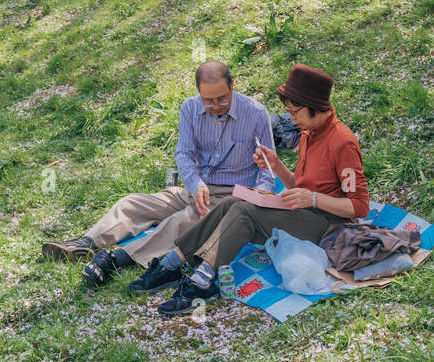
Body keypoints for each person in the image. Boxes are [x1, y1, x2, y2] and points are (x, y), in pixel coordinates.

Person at [144, 63, 370, 317]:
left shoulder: (342, 142)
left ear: (313, 105)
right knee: (232, 202)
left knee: (244, 212)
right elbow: (302, 186)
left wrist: (314, 199)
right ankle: (171, 264)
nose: (290, 118)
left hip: (331, 225)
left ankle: (202, 281)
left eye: (294, 111)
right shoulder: (309, 133)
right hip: (308, 213)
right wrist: (277, 166)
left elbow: (359, 207)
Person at [42, 61, 275, 288]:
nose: (216, 106)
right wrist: (196, 186)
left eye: (222, 98)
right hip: (195, 188)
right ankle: (87, 242)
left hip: (230, 197)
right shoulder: (190, 108)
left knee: (183, 221)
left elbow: (268, 167)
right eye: (208, 101)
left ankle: (119, 258)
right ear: (198, 94)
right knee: (132, 203)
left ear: (232, 86)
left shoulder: (255, 113)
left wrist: (260, 198)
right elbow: (184, 154)